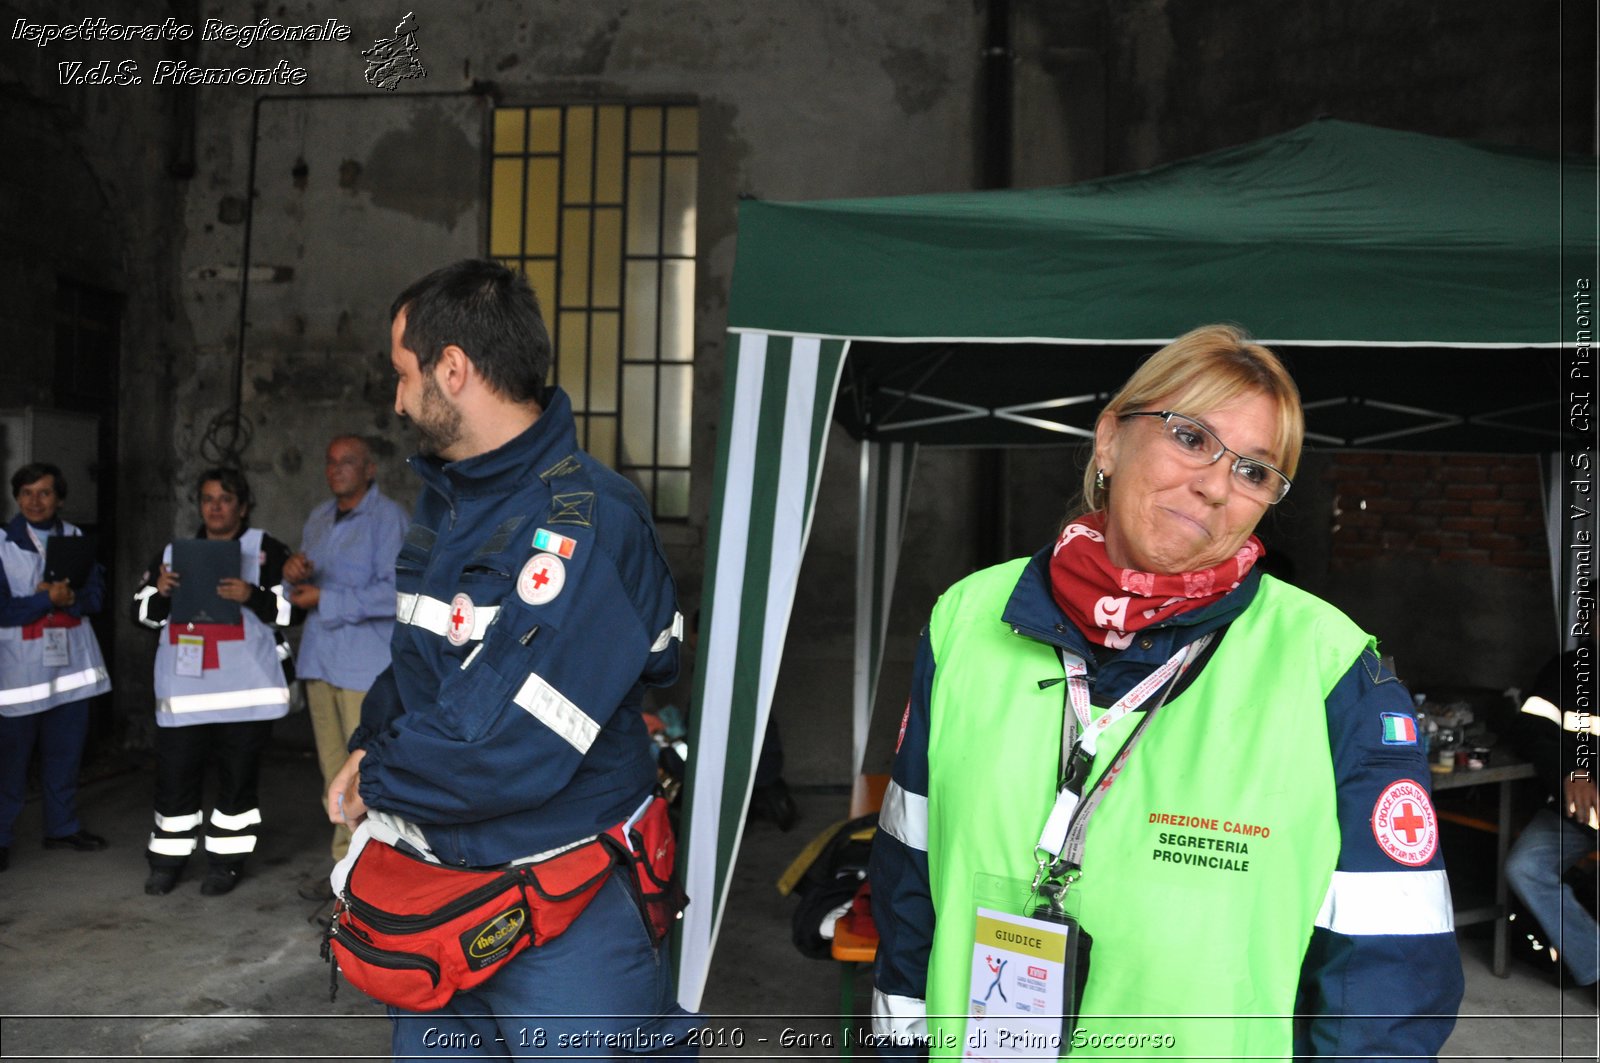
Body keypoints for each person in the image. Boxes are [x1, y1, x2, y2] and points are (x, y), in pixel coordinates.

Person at [869, 325, 1464, 1060]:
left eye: (1253, 471)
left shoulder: (1334, 670)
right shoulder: (968, 618)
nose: (1216, 483)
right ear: (1111, 439)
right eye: (1191, 436)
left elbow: (1389, 967)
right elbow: (907, 877)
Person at [326, 259, 697, 1056]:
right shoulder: (447, 500)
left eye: (403, 374)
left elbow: (502, 743)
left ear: (452, 369)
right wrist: (370, 737)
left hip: (568, 909)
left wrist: (376, 774)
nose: (396, 399)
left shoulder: (588, 520)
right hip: (439, 894)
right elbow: (417, 661)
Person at [132, 468, 299, 897]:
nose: (215, 507)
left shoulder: (267, 550)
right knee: (175, 778)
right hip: (186, 691)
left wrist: (254, 596)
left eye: (225, 499)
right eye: (208, 499)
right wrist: (161, 593)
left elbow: (295, 613)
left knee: (237, 780)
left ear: (242, 506)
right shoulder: (174, 553)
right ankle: (167, 862)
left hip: (247, 692)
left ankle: (226, 863)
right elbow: (142, 615)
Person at [283, 435, 408, 900]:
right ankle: (344, 870)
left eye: (348, 463)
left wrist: (327, 598)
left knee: (367, 777)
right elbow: (300, 586)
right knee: (332, 772)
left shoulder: (388, 519)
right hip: (321, 660)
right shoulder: (318, 517)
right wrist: (293, 576)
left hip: (364, 668)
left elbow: (394, 594)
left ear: (370, 469)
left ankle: (375, 874)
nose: (337, 470)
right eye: (331, 462)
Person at [0, 462, 112, 871]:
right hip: (20, 673)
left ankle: (61, 827)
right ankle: (1, 835)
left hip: (71, 670)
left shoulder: (77, 538)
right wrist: (45, 600)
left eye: (44, 492)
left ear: (59, 498)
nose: (34, 500)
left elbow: (97, 597)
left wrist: (69, 600)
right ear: (16, 497)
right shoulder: (1, 542)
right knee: (9, 762)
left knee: (65, 755)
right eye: (26, 492)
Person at [1505, 645, 1598, 990]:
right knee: (1524, 867)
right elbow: (1527, 732)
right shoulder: (1569, 669)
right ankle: (1595, 964)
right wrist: (1571, 771)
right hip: (1578, 813)